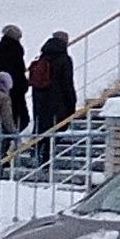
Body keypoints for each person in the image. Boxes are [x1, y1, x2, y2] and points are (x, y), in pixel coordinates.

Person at [29, 32, 77, 166]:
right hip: (58, 101)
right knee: (58, 127)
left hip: (40, 100)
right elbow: (67, 82)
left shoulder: (43, 57)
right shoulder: (64, 59)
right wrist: (72, 100)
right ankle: (45, 158)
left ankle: (37, 149)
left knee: (42, 127)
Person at [0, 25, 30, 132]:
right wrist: (23, 84)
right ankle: (11, 141)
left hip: (3, 90)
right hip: (13, 90)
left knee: (8, 118)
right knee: (20, 118)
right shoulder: (13, 49)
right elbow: (17, 71)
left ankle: (9, 141)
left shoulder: (1, 49)